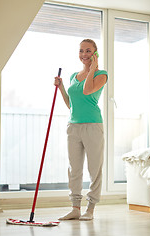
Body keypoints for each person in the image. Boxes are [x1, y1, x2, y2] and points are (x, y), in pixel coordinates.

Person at [54, 39, 108, 221]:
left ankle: (90, 209)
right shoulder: (73, 76)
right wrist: (61, 87)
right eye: (81, 51)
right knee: (74, 169)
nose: (84, 54)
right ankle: (75, 208)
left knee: (94, 169)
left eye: (88, 51)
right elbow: (71, 104)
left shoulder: (102, 74)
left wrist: (93, 68)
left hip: (93, 126)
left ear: (95, 53)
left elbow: (87, 91)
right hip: (73, 126)